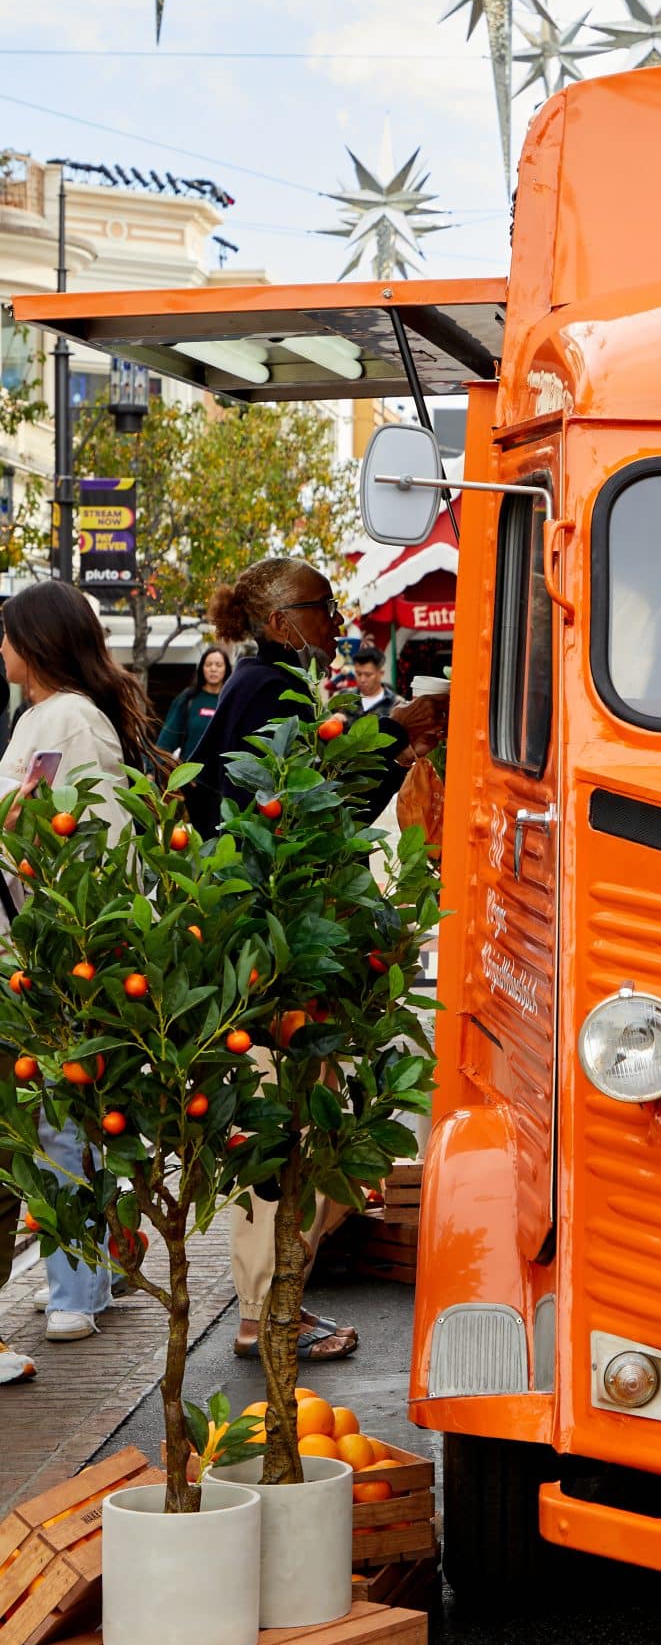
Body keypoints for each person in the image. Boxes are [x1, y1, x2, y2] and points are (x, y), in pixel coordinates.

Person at [194, 557, 444, 1366]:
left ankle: (273, 1304)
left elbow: (316, 807)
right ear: (277, 622)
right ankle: (265, 1312)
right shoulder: (269, 690)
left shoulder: (261, 685)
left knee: (291, 1122)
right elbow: (294, 816)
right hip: (272, 949)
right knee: (281, 1126)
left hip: (266, 944)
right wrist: (395, 732)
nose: (334, 620)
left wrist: (390, 744)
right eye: (320, 606)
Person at [0, 579, 160, 1356]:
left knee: (62, 1119)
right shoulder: (50, 715)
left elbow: (87, 833)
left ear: (36, 644)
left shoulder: (66, 718)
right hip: (57, 945)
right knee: (68, 1116)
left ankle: (75, 1288)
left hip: (66, 948)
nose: (0, 649)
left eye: (7, 635)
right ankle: (84, 1275)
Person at [159, 644, 230, 761]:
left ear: (226, 669)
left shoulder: (232, 700)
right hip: (191, 770)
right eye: (208, 665)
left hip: (223, 770)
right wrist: (154, 767)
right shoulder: (188, 698)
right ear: (202, 668)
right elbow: (167, 739)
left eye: (219, 665)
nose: (213, 669)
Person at [351, 643, 394, 721]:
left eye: (368, 675)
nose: (362, 680)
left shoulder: (396, 704)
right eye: (358, 674)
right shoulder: (344, 699)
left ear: (381, 673)